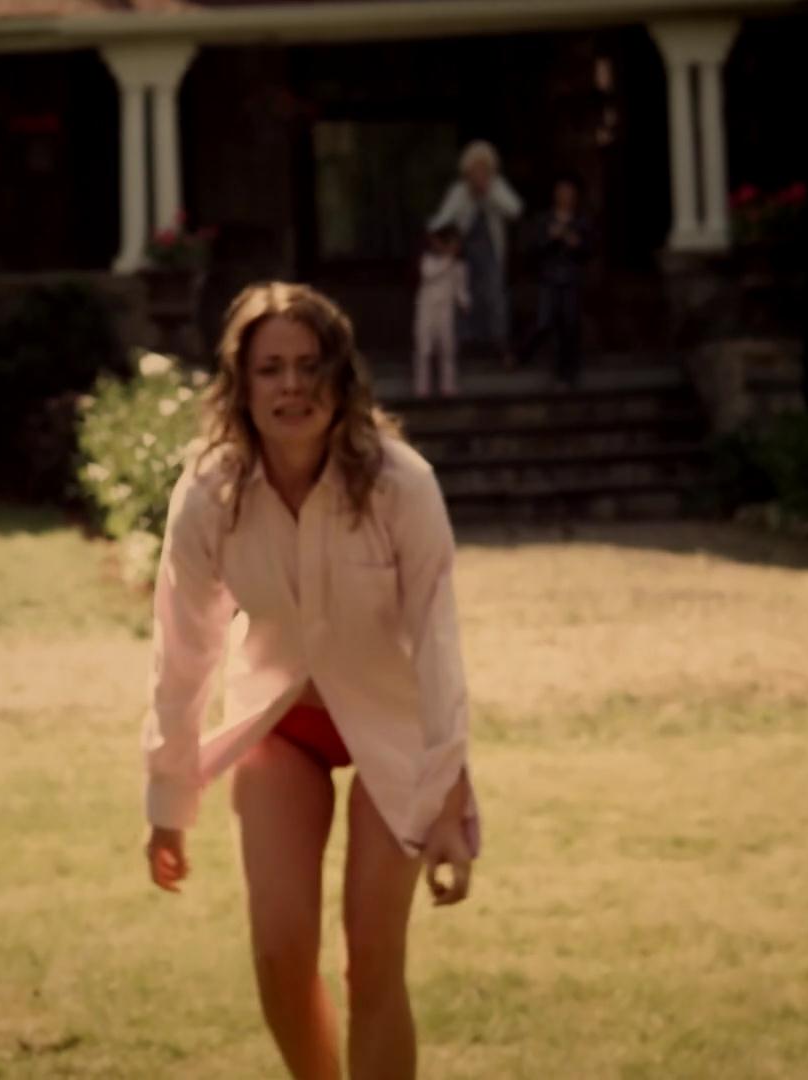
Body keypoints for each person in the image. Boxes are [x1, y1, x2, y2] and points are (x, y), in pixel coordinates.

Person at [143, 281, 481, 1080]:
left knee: (373, 959)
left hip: (397, 732)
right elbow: (183, 651)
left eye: (309, 365)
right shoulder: (210, 490)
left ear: (341, 375)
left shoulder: (402, 484)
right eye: (270, 369)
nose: (292, 386)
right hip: (281, 727)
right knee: (278, 956)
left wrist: (448, 801)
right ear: (242, 383)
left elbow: (438, 645)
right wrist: (167, 801)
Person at [427, 140, 523, 366]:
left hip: (491, 257)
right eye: (475, 168)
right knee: (462, 300)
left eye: (484, 168)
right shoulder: (459, 191)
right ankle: (460, 349)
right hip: (465, 257)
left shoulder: (496, 187)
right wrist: (442, 238)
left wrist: (488, 192)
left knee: (495, 298)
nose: (479, 173)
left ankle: (501, 347)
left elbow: (515, 210)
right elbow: (441, 220)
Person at [518, 173, 597, 387]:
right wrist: (550, 238)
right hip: (549, 278)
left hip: (571, 278)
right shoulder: (544, 220)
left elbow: (590, 250)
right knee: (544, 321)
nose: (565, 196)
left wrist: (577, 244)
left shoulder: (582, 221)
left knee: (570, 324)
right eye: (561, 192)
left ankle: (569, 372)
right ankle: (522, 355)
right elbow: (532, 249)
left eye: (569, 193)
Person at [412, 225, 470, 398]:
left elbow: (460, 289)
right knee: (424, 349)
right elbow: (428, 274)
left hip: (446, 311)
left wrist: (464, 302)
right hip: (427, 309)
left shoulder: (459, 266)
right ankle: (422, 387)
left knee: (447, 348)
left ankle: (448, 386)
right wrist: (448, 258)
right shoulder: (428, 260)